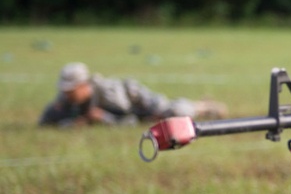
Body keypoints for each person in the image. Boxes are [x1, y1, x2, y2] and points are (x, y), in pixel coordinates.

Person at [38, 62, 227, 128]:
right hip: (130, 111)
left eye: (71, 90)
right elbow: (46, 120)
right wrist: (73, 123)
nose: (67, 94)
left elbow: (131, 119)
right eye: (65, 91)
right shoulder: (67, 100)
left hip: (136, 99)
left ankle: (202, 107)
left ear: (83, 85)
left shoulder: (109, 94)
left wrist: (104, 118)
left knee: (173, 112)